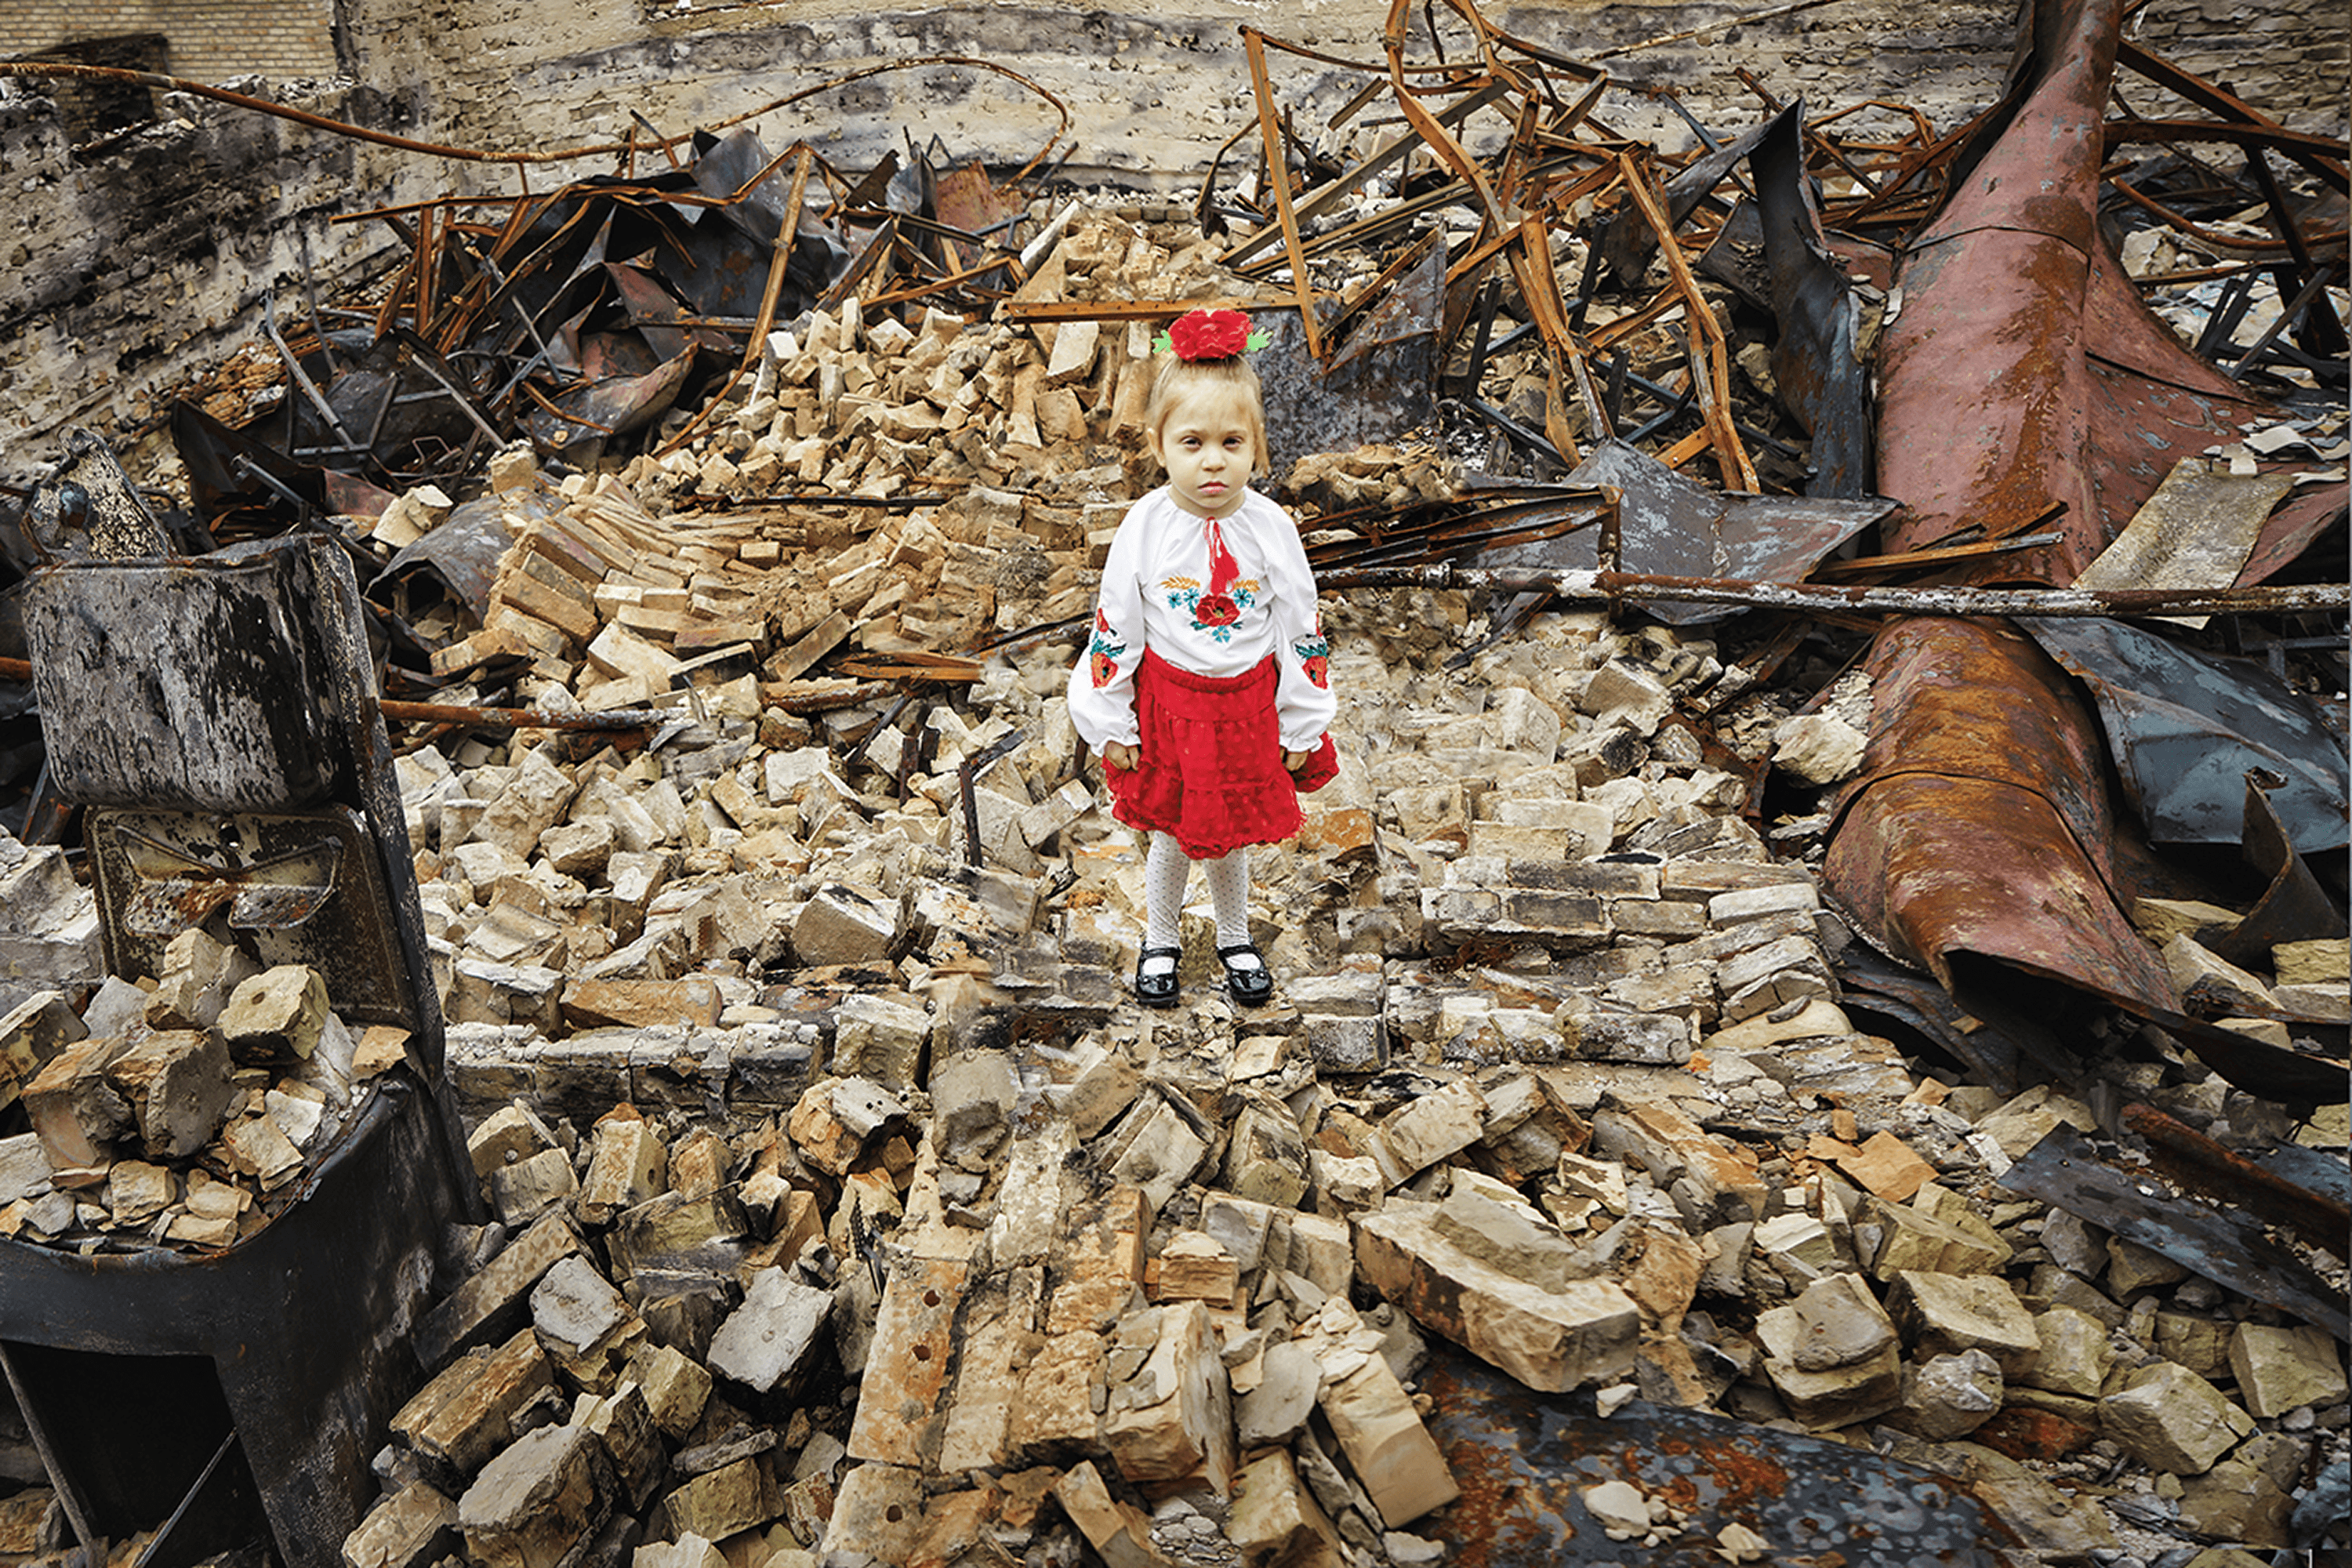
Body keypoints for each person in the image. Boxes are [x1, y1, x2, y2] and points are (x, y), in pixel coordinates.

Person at [1066, 306, 1338, 1009]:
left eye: (1231, 442)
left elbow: (1298, 625)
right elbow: (1115, 625)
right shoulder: (1146, 527)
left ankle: (1233, 935)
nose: (1212, 460)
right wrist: (1112, 723)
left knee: (1233, 835)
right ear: (1159, 445)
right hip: (1172, 705)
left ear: (1258, 447)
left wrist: (1300, 727)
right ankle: (1161, 939)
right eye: (1192, 442)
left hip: (1246, 705)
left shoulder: (1271, 528)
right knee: (1174, 833)